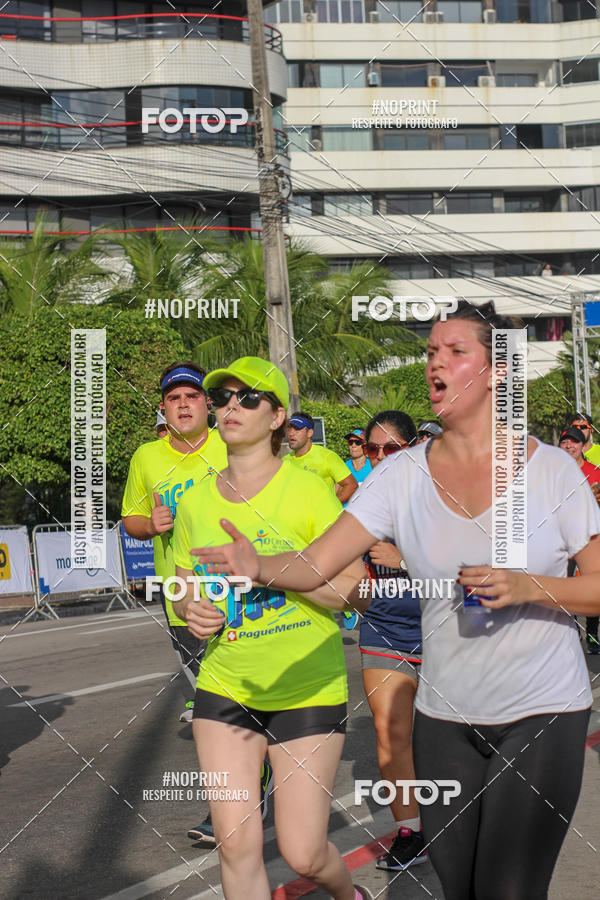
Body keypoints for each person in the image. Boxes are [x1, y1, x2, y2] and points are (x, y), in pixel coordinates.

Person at [194, 302, 600, 900]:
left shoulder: (553, 472)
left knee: (508, 890)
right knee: (458, 887)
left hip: (543, 710)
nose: (436, 363)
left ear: (496, 372)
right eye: (432, 351)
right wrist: (258, 566)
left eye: (456, 351)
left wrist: (528, 587)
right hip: (444, 716)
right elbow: (317, 563)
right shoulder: (400, 475)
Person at [171, 356, 371, 900]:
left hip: (307, 688)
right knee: (235, 846)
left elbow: (354, 589)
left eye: (249, 398)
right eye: (222, 398)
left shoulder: (307, 491)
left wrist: (266, 569)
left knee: (304, 853)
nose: (231, 407)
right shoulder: (195, 502)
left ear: (278, 416)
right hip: (226, 686)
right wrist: (193, 609)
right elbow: (184, 587)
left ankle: (348, 895)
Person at [121, 360, 247, 845]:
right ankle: (234, 800)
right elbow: (130, 517)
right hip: (182, 597)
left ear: (207, 404)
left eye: (192, 396)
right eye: (174, 398)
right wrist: (148, 525)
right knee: (213, 710)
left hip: (240, 589)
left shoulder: (232, 444)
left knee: (239, 703)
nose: (183, 405)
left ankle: (245, 793)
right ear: (163, 408)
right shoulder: (146, 458)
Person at [359, 411, 425, 872]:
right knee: (390, 732)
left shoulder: (443, 496)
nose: (381, 457)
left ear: (413, 448)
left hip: (446, 631)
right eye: (373, 449)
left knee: (451, 739)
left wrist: (405, 560)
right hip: (384, 630)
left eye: (392, 448)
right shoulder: (362, 504)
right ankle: (411, 832)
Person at [559, 426, 600, 655]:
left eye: (574, 442)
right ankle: (572, 633)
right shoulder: (554, 474)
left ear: (583, 446)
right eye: (564, 442)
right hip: (563, 537)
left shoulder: (595, 471)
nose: (569, 446)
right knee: (565, 586)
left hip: (591, 537)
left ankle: (592, 637)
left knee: (593, 585)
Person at [286, 412, 358, 503]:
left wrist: (331, 506)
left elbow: (351, 485)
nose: (291, 433)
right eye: (289, 429)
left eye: (297, 429)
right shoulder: (284, 461)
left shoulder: (327, 457)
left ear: (309, 433)